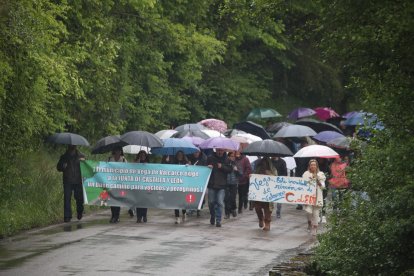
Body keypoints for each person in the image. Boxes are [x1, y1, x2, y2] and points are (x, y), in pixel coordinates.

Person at [57, 145, 85, 222]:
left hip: (78, 181)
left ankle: (80, 212)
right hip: (67, 181)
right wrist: (63, 166)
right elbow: (58, 168)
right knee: (67, 198)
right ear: (68, 147)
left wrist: (83, 162)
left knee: (79, 199)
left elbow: (86, 167)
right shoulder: (63, 157)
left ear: (75, 147)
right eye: (70, 147)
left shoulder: (81, 156)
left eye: (73, 146)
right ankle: (67, 216)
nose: (72, 148)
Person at [207, 148, 232, 227]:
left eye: (221, 150)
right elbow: (203, 168)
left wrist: (222, 166)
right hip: (212, 184)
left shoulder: (227, 159)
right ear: (216, 150)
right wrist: (208, 167)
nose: (220, 152)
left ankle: (218, 220)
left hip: (222, 185)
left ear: (224, 151)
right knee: (211, 202)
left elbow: (230, 170)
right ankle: (212, 215)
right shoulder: (210, 158)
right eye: (218, 150)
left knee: (220, 202)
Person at [252, 157, 277, 231]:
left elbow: (276, 178)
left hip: (268, 193)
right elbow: (254, 177)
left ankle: (267, 223)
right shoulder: (257, 169)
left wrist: (269, 174)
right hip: (258, 192)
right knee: (257, 208)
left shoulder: (273, 169)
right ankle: (260, 219)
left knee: (267, 209)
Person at [302, 159, 326, 236]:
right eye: (311, 165)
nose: (313, 166)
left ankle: (314, 228)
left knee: (316, 213)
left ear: (316, 166)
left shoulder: (321, 174)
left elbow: (323, 187)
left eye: (314, 165)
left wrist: (317, 179)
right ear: (309, 166)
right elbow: (301, 184)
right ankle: (309, 222)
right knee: (308, 212)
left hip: (317, 196)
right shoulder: (306, 174)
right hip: (308, 197)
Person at [107, 147, 127, 223]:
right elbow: (103, 168)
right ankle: (113, 216)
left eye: (119, 150)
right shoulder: (109, 159)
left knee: (117, 200)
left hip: (120, 184)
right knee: (111, 199)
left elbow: (127, 170)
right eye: (116, 150)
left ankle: (117, 216)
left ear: (121, 151)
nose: (117, 151)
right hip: (111, 183)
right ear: (114, 150)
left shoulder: (124, 160)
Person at [188, 149, 207, 217]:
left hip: (201, 180)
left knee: (200, 196)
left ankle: (199, 209)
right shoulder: (190, 157)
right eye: (194, 152)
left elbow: (205, 169)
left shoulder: (204, 158)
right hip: (192, 180)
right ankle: (191, 209)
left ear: (200, 152)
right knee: (192, 194)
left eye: (197, 152)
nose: (195, 154)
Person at [172, 150, 190, 224]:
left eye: (181, 155)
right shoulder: (173, 163)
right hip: (175, 185)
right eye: (178, 155)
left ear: (183, 156)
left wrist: (188, 166)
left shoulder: (186, 163)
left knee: (183, 201)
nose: (179, 156)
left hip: (183, 185)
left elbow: (190, 172)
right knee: (176, 202)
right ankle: (177, 217)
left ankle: (184, 212)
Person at [224, 151, 242, 219]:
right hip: (226, 183)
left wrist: (236, 170)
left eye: (234, 156)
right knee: (226, 199)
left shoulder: (237, 163)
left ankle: (233, 209)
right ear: (228, 157)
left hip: (234, 183)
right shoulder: (226, 163)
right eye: (231, 156)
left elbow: (241, 173)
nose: (233, 157)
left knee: (232, 198)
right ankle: (227, 213)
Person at [135, 150, 150, 223]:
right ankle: (138, 217)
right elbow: (131, 169)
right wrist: (136, 163)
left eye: (144, 155)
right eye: (141, 155)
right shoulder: (136, 162)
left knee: (145, 201)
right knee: (138, 201)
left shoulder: (148, 164)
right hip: (138, 185)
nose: (142, 156)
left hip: (146, 185)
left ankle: (144, 215)